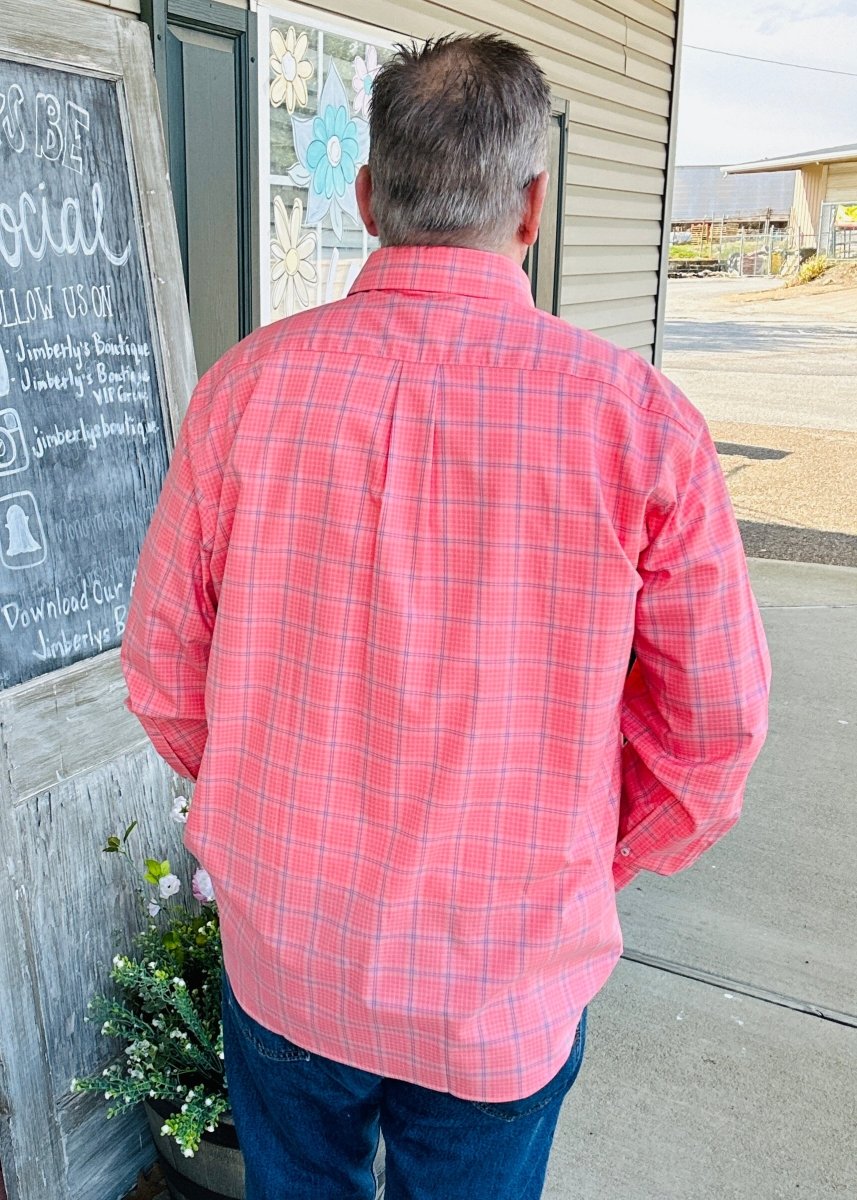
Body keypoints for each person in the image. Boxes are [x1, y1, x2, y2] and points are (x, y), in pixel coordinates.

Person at [122, 33, 771, 1200]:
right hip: (502, 976)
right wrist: (586, 860)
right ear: (533, 206)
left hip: (291, 955)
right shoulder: (639, 426)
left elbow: (165, 671)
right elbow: (713, 727)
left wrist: (257, 802)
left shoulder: (241, 396)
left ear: (366, 197)